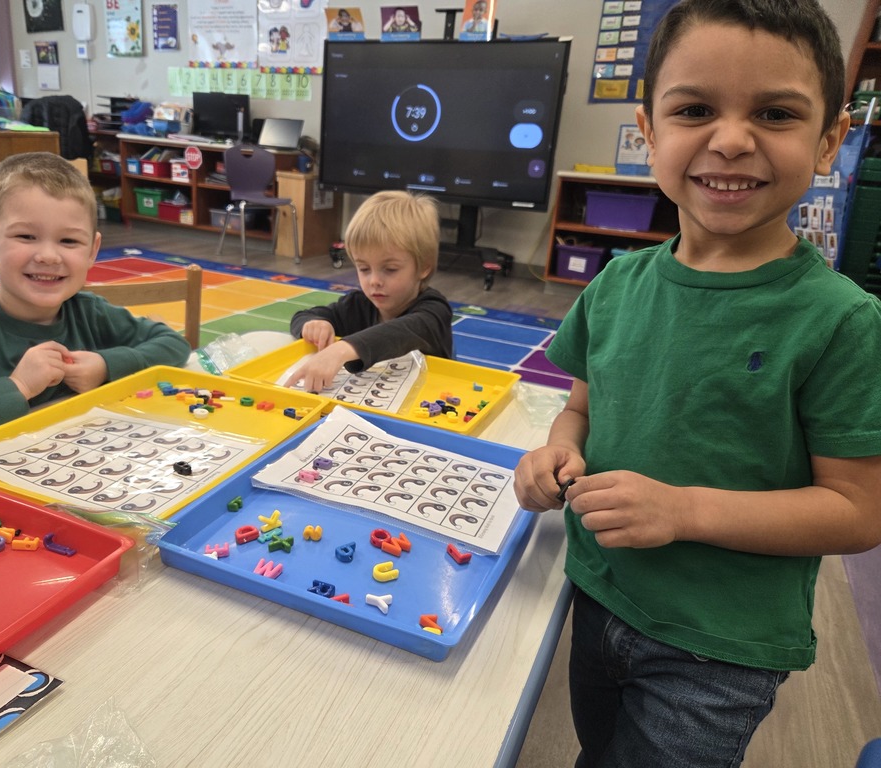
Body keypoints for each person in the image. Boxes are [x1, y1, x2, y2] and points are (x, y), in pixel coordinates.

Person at [513, 1, 881, 766]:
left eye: (776, 113)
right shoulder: (615, 287)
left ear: (829, 140)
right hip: (600, 592)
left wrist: (683, 510)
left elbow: (857, 510)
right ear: (649, 132)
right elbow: (579, 409)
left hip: (719, 649)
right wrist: (555, 452)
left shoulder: (843, 321)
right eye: (694, 110)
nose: (733, 139)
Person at [0, 152, 192, 452]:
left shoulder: (90, 312)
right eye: (26, 236)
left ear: (92, 251)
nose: (48, 256)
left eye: (69, 240)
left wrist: (105, 366)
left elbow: (173, 344)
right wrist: (18, 386)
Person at [285, 190, 453, 393]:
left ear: (423, 267)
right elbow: (303, 316)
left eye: (390, 269)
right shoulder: (358, 305)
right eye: (364, 268)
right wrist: (314, 325)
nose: (374, 281)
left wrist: (342, 349)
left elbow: (405, 331)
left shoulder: (435, 311)